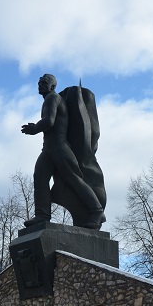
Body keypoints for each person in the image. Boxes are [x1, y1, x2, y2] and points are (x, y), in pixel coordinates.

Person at [21, 74, 105, 229]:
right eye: (39, 83)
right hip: (48, 149)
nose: (40, 85)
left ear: (52, 86)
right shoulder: (50, 99)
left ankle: (97, 211)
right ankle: (42, 215)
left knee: (73, 179)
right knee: (39, 178)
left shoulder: (52, 98)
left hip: (60, 147)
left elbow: (49, 121)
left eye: (44, 83)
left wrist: (34, 129)